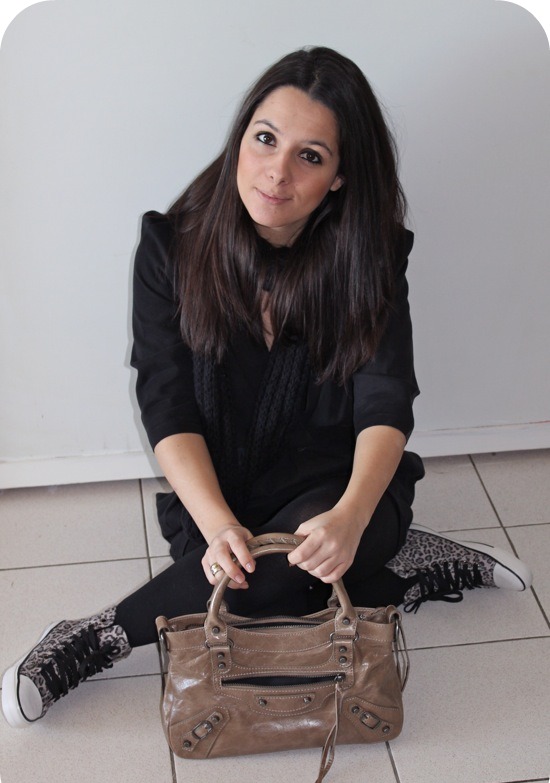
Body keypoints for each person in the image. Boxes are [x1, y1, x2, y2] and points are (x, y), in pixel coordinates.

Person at [2, 47, 532, 729]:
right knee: (252, 582)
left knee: (287, 573)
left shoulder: (369, 256)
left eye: (310, 156)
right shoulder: (170, 248)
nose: (277, 172)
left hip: (330, 486)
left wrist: (352, 516)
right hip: (219, 489)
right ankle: (400, 565)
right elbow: (166, 401)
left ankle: (99, 637)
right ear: (240, 137)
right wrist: (217, 522)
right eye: (265, 139)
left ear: (339, 177)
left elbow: (386, 395)